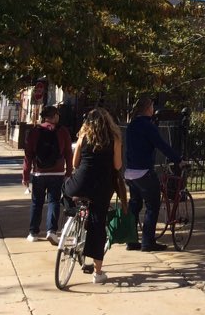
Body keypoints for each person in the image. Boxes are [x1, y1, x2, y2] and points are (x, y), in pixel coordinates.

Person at [62, 107, 123, 284]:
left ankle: (71, 211)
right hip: (102, 186)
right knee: (98, 225)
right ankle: (97, 272)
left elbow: (74, 163)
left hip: (80, 182)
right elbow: (117, 166)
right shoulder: (115, 139)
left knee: (64, 190)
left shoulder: (83, 137)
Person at [124, 95, 181, 251]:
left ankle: (131, 239)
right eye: (152, 107)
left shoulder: (132, 125)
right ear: (148, 108)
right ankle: (147, 242)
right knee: (152, 205)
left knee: (134, 205)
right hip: (144, 171)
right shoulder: (148, 126)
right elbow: (162, 145)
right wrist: (178, 159)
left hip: (130, 172)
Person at [22, 105, 73, 244]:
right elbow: (69, 153)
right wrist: (69, 172)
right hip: (57, 173)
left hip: (39, 173)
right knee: (54, 201)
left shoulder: (35, 132)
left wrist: (25, 175)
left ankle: (33, 232)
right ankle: (51, 231)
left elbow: (28, 155)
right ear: (55, 116)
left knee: (36, 203)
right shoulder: (63, 131)